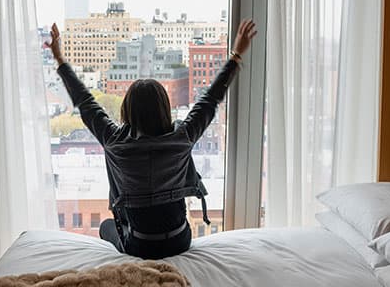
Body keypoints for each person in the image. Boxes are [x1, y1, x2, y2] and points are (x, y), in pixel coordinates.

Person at [44, 19, 257, 259]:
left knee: (105, 226)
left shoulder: (115, 143)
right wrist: (236, 54)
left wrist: (60, 59)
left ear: (128, 109)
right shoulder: (182, 138)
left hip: (140, 247)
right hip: (180, 241)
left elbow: (85, 102)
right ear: (164, 107)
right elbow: (210, 99)